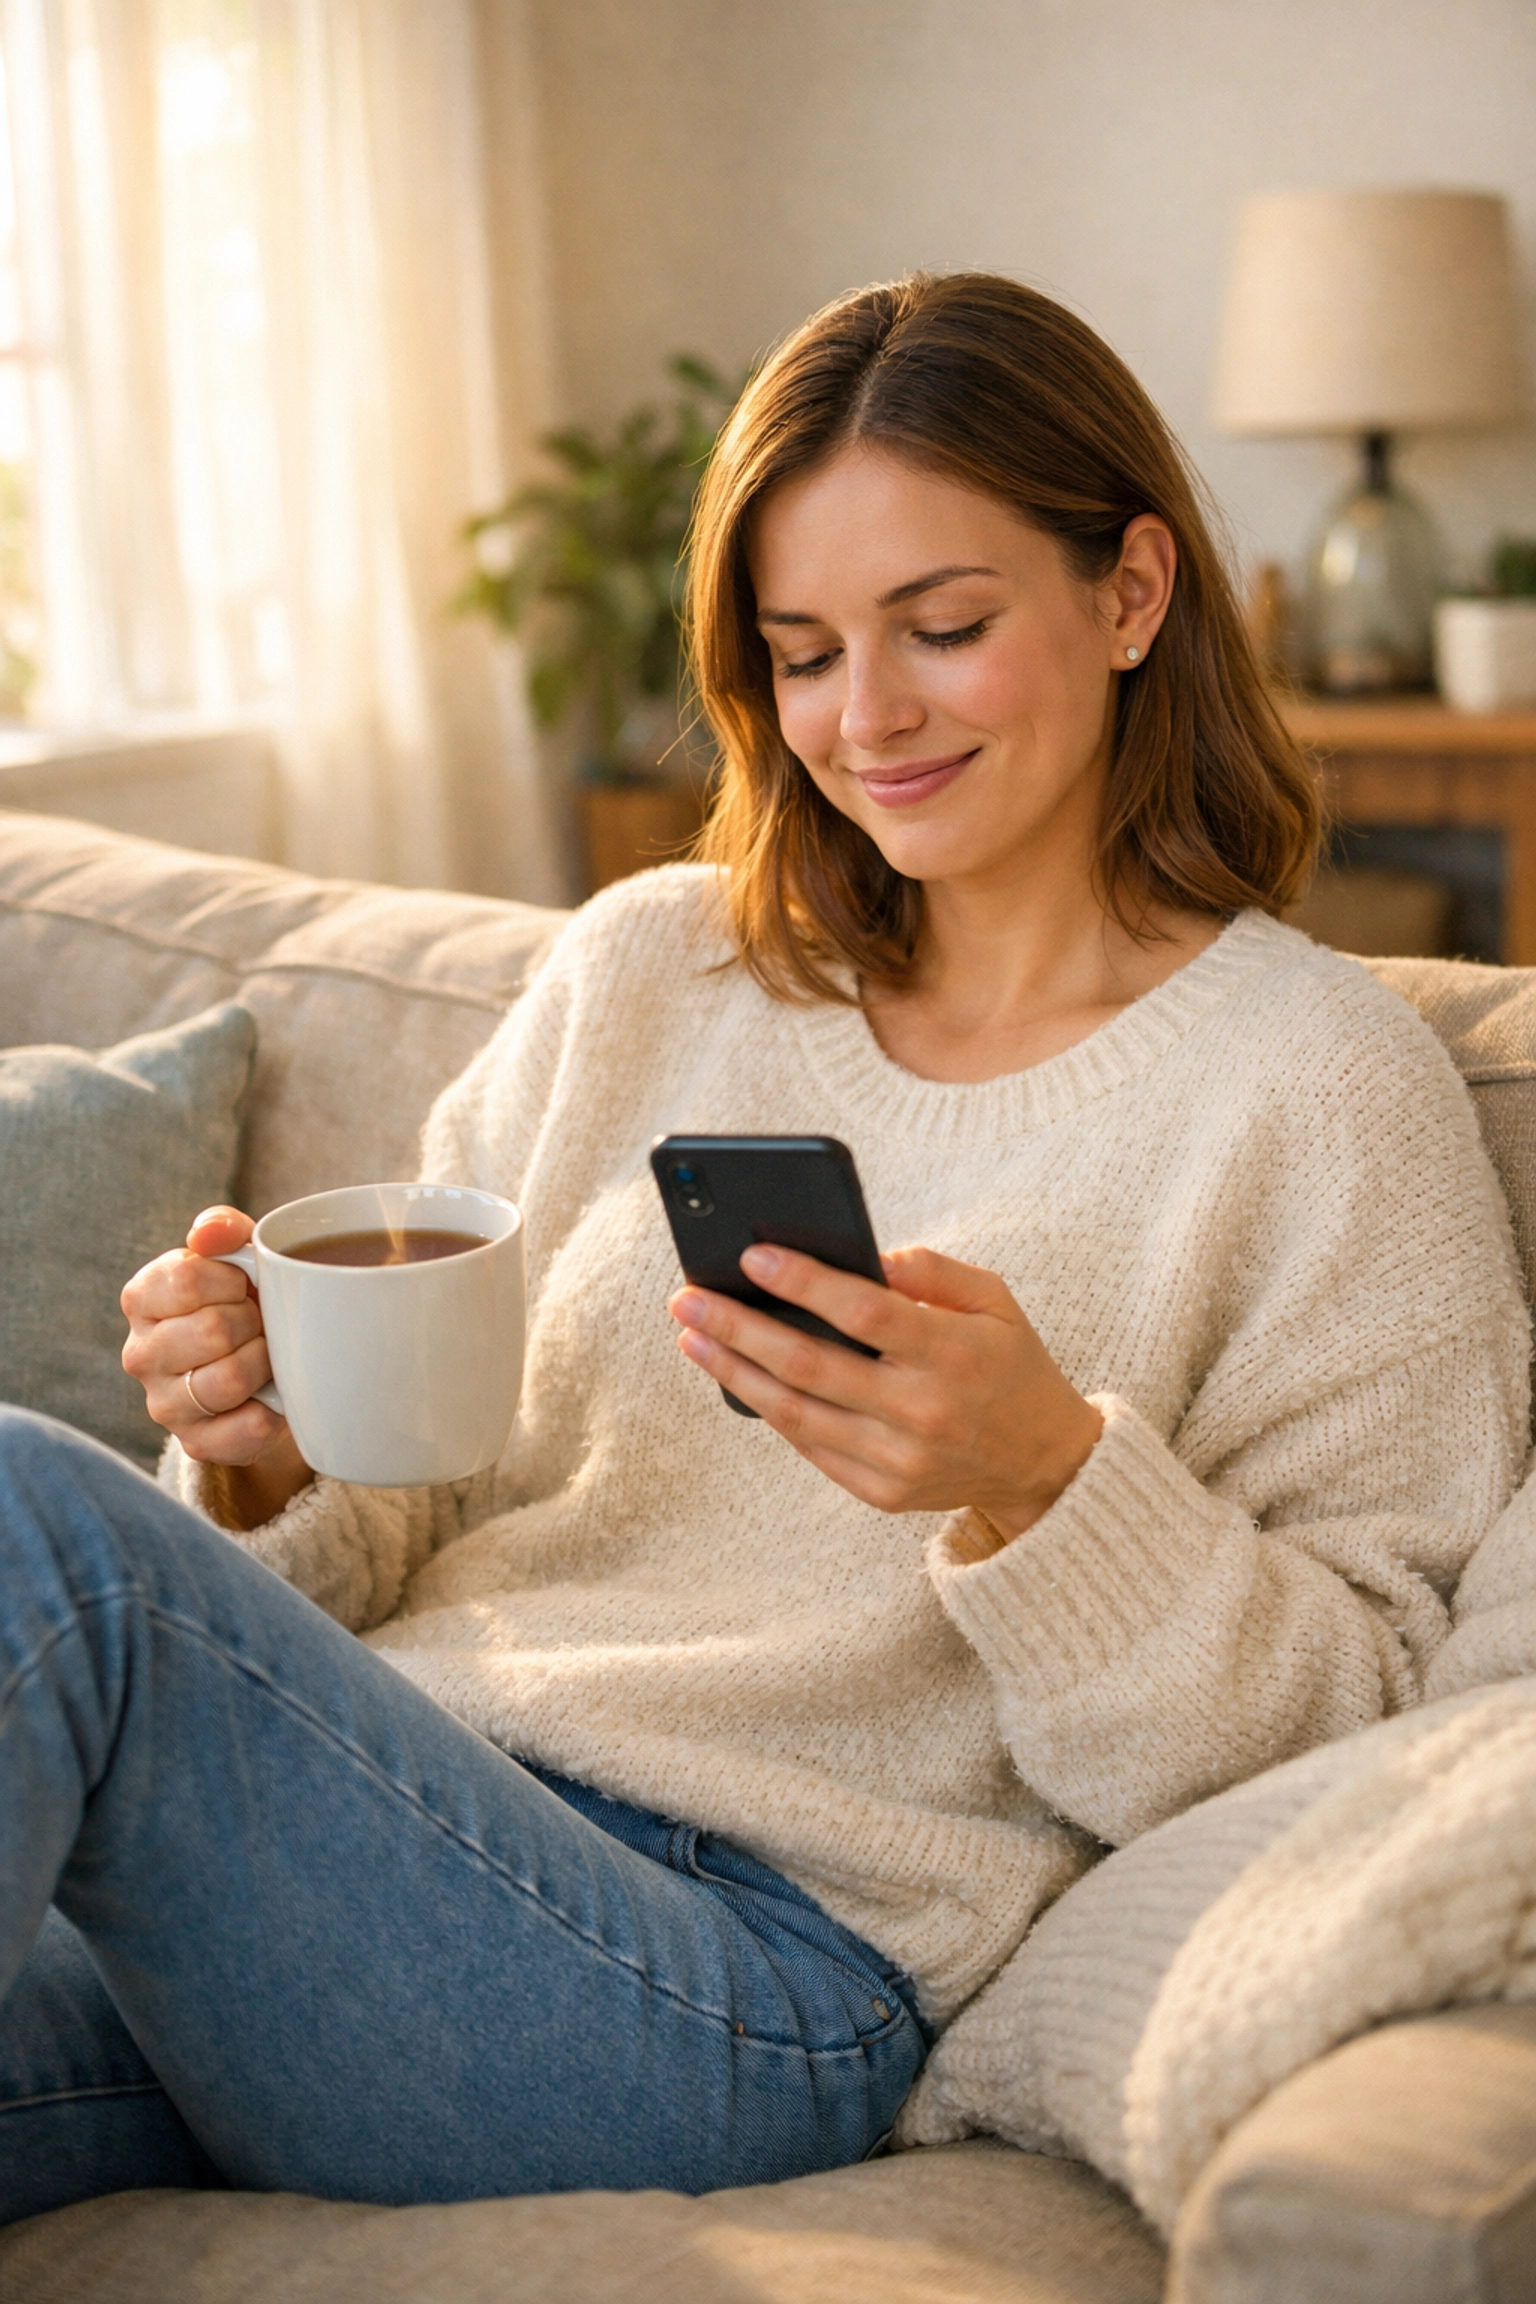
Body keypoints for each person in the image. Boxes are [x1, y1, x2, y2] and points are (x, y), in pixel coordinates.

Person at [2, 273, 1526, 2225]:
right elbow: (410, 1501)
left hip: (740, 1979)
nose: (864, 718)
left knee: (34, 1525)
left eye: (943, 628)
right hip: (376, 1843)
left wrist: (1046, 1484)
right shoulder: (650, 966)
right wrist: (262, 1454)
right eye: (804, 654)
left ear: (1133, 593)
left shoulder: (1320, 1088)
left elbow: (1370, 1730)